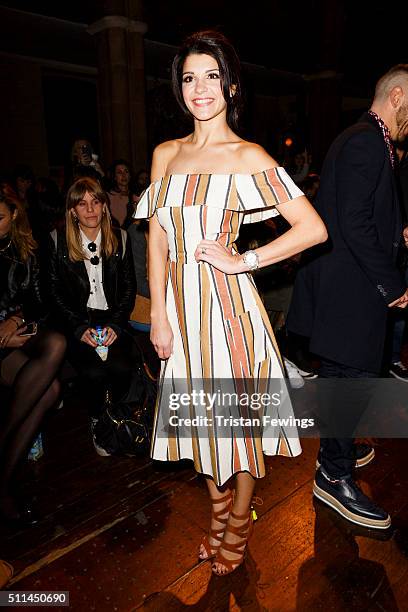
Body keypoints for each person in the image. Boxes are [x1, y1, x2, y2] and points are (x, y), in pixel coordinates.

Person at [134, 30, 327, 576]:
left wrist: (244, 261)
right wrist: (159, 315)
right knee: (202, 426)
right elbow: (158, 240)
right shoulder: (165, 155)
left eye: (211, 76)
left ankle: (237, 527)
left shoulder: (248, 156)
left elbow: (312, 228)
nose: (200, 88)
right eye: (189, 78)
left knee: (236, 431)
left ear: (231, 85)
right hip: (182, 319)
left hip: (228, 318)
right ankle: (218, 520)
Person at [287, 64, 408, 529]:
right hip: (350, 289)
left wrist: (398, 232)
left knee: (348, 378)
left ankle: (338, 450)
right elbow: (353, 226)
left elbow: (356, 213)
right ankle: (332, 475)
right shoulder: (365, 141)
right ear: (396, 97)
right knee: (349, 380)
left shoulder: (364, 138)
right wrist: (394, 286)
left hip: (348, 286)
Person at [47, 177, 136, 454]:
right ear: (72, 210)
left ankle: (116, 413)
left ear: (104, 206)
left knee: (123, 368)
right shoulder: (56, 241)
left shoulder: (119, 237)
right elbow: (53, 293)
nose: (90, 210)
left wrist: (116, 326)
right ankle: (98, 419)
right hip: (78, 321)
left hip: (112, 319)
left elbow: (128, 289)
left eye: (96, 202)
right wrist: (77, 328)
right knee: (94, 373)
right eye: (82, 204)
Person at [0, 188, 66, 524]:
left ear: (13, 216)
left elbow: (42, 303)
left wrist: (16, 319)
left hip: (15, 333)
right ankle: (4, 482)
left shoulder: (24, 247)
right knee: (51, 389)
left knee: (55, 344)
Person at [107, 159, 137, 228]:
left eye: (126, 172)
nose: (124, 175)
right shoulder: (108, 196)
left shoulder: (135, 195)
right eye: (119, 172)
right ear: (114, 177)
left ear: (130, 175)